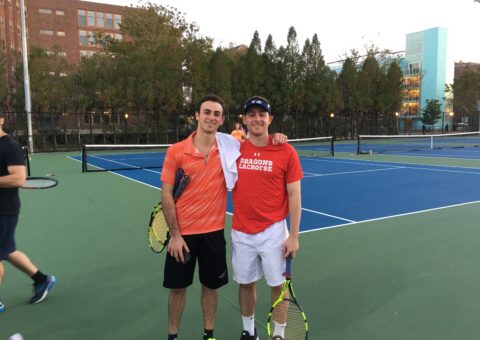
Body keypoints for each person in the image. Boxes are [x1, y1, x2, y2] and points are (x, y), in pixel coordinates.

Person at [231, 96, 303, 340]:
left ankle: (278, 334)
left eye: (262, 114)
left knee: (277, 287)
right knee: (245, 284)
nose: (257, 119)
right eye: (251, 114)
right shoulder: (234, 148)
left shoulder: (286, 151)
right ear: (244, 120)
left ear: (270, 119)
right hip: (241, 231)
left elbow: (294, 196)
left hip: (274, 231)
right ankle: (249, 332)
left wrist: (293, 236)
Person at [0, 112, 56, 313]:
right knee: (7, 250)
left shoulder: (10, 146)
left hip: (4, 210)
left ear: (1, 120)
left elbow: (18, 179)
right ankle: (42, 280)